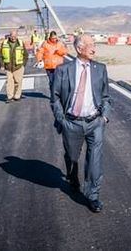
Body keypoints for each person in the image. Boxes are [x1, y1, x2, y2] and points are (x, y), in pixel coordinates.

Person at [52, 34, 112, 213]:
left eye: (94, 45)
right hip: (71, 122)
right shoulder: (63, 70)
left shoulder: (100, 68)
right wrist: (61, 119)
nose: (94, 48)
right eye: (91, 45)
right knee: (72, 157)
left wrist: (105, 117)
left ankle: (93, 195)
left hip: (95, 122)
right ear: (79, 49)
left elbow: (106, 96)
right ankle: (72, 177)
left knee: (95, 159)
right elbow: (54, 97)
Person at [0, 30, 28, 103]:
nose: (13, 38)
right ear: (9, 36)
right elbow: (0, 55)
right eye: (12, 36)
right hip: (8, 67)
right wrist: (2, 65)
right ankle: (10, 96)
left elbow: (26, 55)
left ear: (17, 36)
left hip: (18, 66)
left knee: (18, 82)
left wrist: (23, 65)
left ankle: (17, 96)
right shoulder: (4, 43)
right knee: (9, 82)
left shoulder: (21, 43)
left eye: (15, 36)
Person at [36, 30, 68, 96]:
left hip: (58, 66)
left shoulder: (60, 44)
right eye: (53, 38)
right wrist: (39, 59)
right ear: (50, 37)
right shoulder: (45, 44)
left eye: (55, 38)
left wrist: (58, 51)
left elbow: (65, 52)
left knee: (59, 81)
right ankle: (53, 95)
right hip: (49, 66)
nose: (54, 39)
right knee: (52, 81)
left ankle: (58, 94)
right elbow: (40, 52)